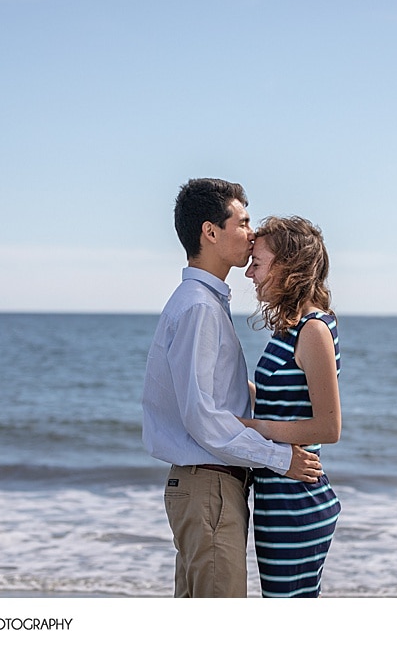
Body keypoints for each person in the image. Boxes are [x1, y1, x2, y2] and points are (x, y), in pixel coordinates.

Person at [141, 178, 323, 599]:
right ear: (210, 232)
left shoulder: (201, 302)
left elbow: (216, 394)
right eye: (242, 222)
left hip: (208, 487)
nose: (252, 232)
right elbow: (202, 416)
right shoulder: (200, 307)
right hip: (210, 488)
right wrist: (280, 459)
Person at [241, 215, 342, 598]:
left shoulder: (313, 330)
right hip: (277, 497)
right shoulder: (289, 328)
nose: (250, 273)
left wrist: (253, 429)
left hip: (296, 504)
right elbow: (280, 401)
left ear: (288, 267)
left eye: (259, 262)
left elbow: (328, 428)